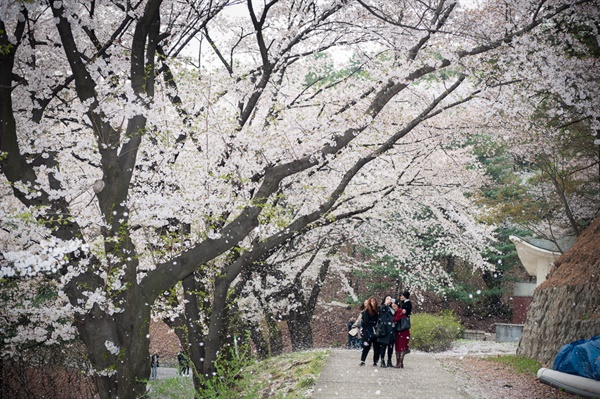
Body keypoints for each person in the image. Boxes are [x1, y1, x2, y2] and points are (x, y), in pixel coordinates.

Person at [359, 296, 380, 366]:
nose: (373, 303)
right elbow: (365, 322)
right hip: (368, 330)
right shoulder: (366, 311)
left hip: (376, 329)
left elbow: (378, 320)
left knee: (376, 347)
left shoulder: (377, 311)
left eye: (374, 301)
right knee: (366, 346)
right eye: (371, 301)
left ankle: (375, 361)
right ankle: (363, 360)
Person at [393, 290, 412, 368]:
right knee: (399, 346)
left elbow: (398, 317)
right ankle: (400, 362)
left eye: (402, 295)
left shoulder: (407, 304)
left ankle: (400, 362)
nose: (401, 297)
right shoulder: (402, 304)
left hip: (402, 328)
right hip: (401, 329)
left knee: (401, 346)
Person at [376, 295, 396, 368]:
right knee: (383, 346)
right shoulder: (382, 307)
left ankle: (389, 361)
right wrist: (385, 304)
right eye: (387, 298)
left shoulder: (392, 308)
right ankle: (382, 360)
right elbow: (381, 310)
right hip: (385, 329)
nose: (389, 300)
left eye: (390, 299)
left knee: (390, 346)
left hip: (392, 329)